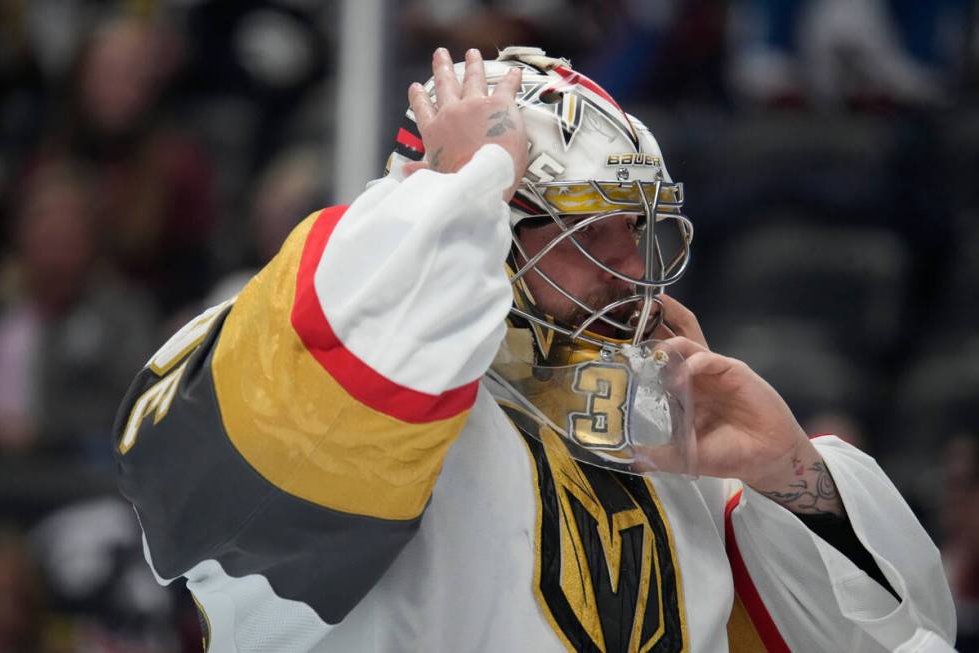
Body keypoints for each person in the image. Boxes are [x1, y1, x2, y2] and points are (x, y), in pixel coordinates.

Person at [114, 47, 955, 652]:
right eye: (591, 233)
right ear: (485, 229)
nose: (635, 272)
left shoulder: (676, 445)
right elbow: (354, 359)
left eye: (639, 230)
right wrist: (461, 189)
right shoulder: (314, 374)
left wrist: (791, 478)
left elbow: (907, 639)